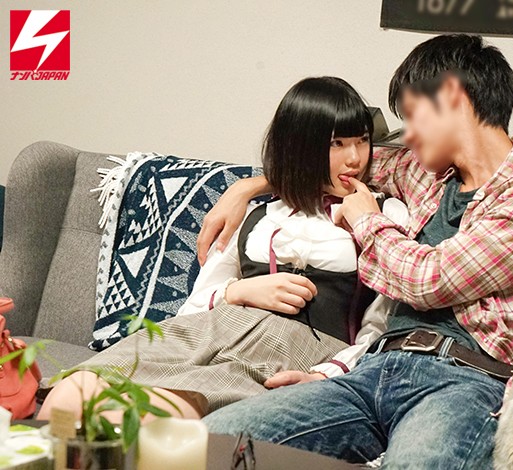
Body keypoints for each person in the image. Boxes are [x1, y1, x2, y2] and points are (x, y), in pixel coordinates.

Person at [198, 34, 513, 468]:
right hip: (374, 370)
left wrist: (366, 221)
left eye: (413, 117)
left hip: (467, 380)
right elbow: (330, 162)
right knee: (215, 443)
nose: (407, 136)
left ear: (454, 101)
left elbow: (431, 281)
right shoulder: (426, 173)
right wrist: (246, 187)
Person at [38, 76, 407, 423]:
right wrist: (238, 291)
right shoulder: (258, 214)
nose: (355, 158)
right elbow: (193, 308)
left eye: (362, 140)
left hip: (289, 351)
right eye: (336, 144)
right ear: (300, 146)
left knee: (149, 415)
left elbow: (383, 326)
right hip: (207, 331)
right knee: (68, 396)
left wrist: (328, 374)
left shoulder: (385, 215)